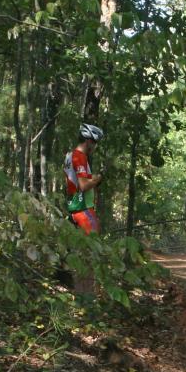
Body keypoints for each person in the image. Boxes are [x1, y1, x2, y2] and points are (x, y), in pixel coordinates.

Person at [63, 123, 104, 295]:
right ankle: (87, 299)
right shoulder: (79, 157)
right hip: (82, 209)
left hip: (75, 208)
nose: (95, 147)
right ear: (88, 141)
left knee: (82, 254)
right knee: (90, 255)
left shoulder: (69, 155)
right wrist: (97, 178)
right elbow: (83, 185)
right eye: (94, 143)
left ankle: (82, 297)